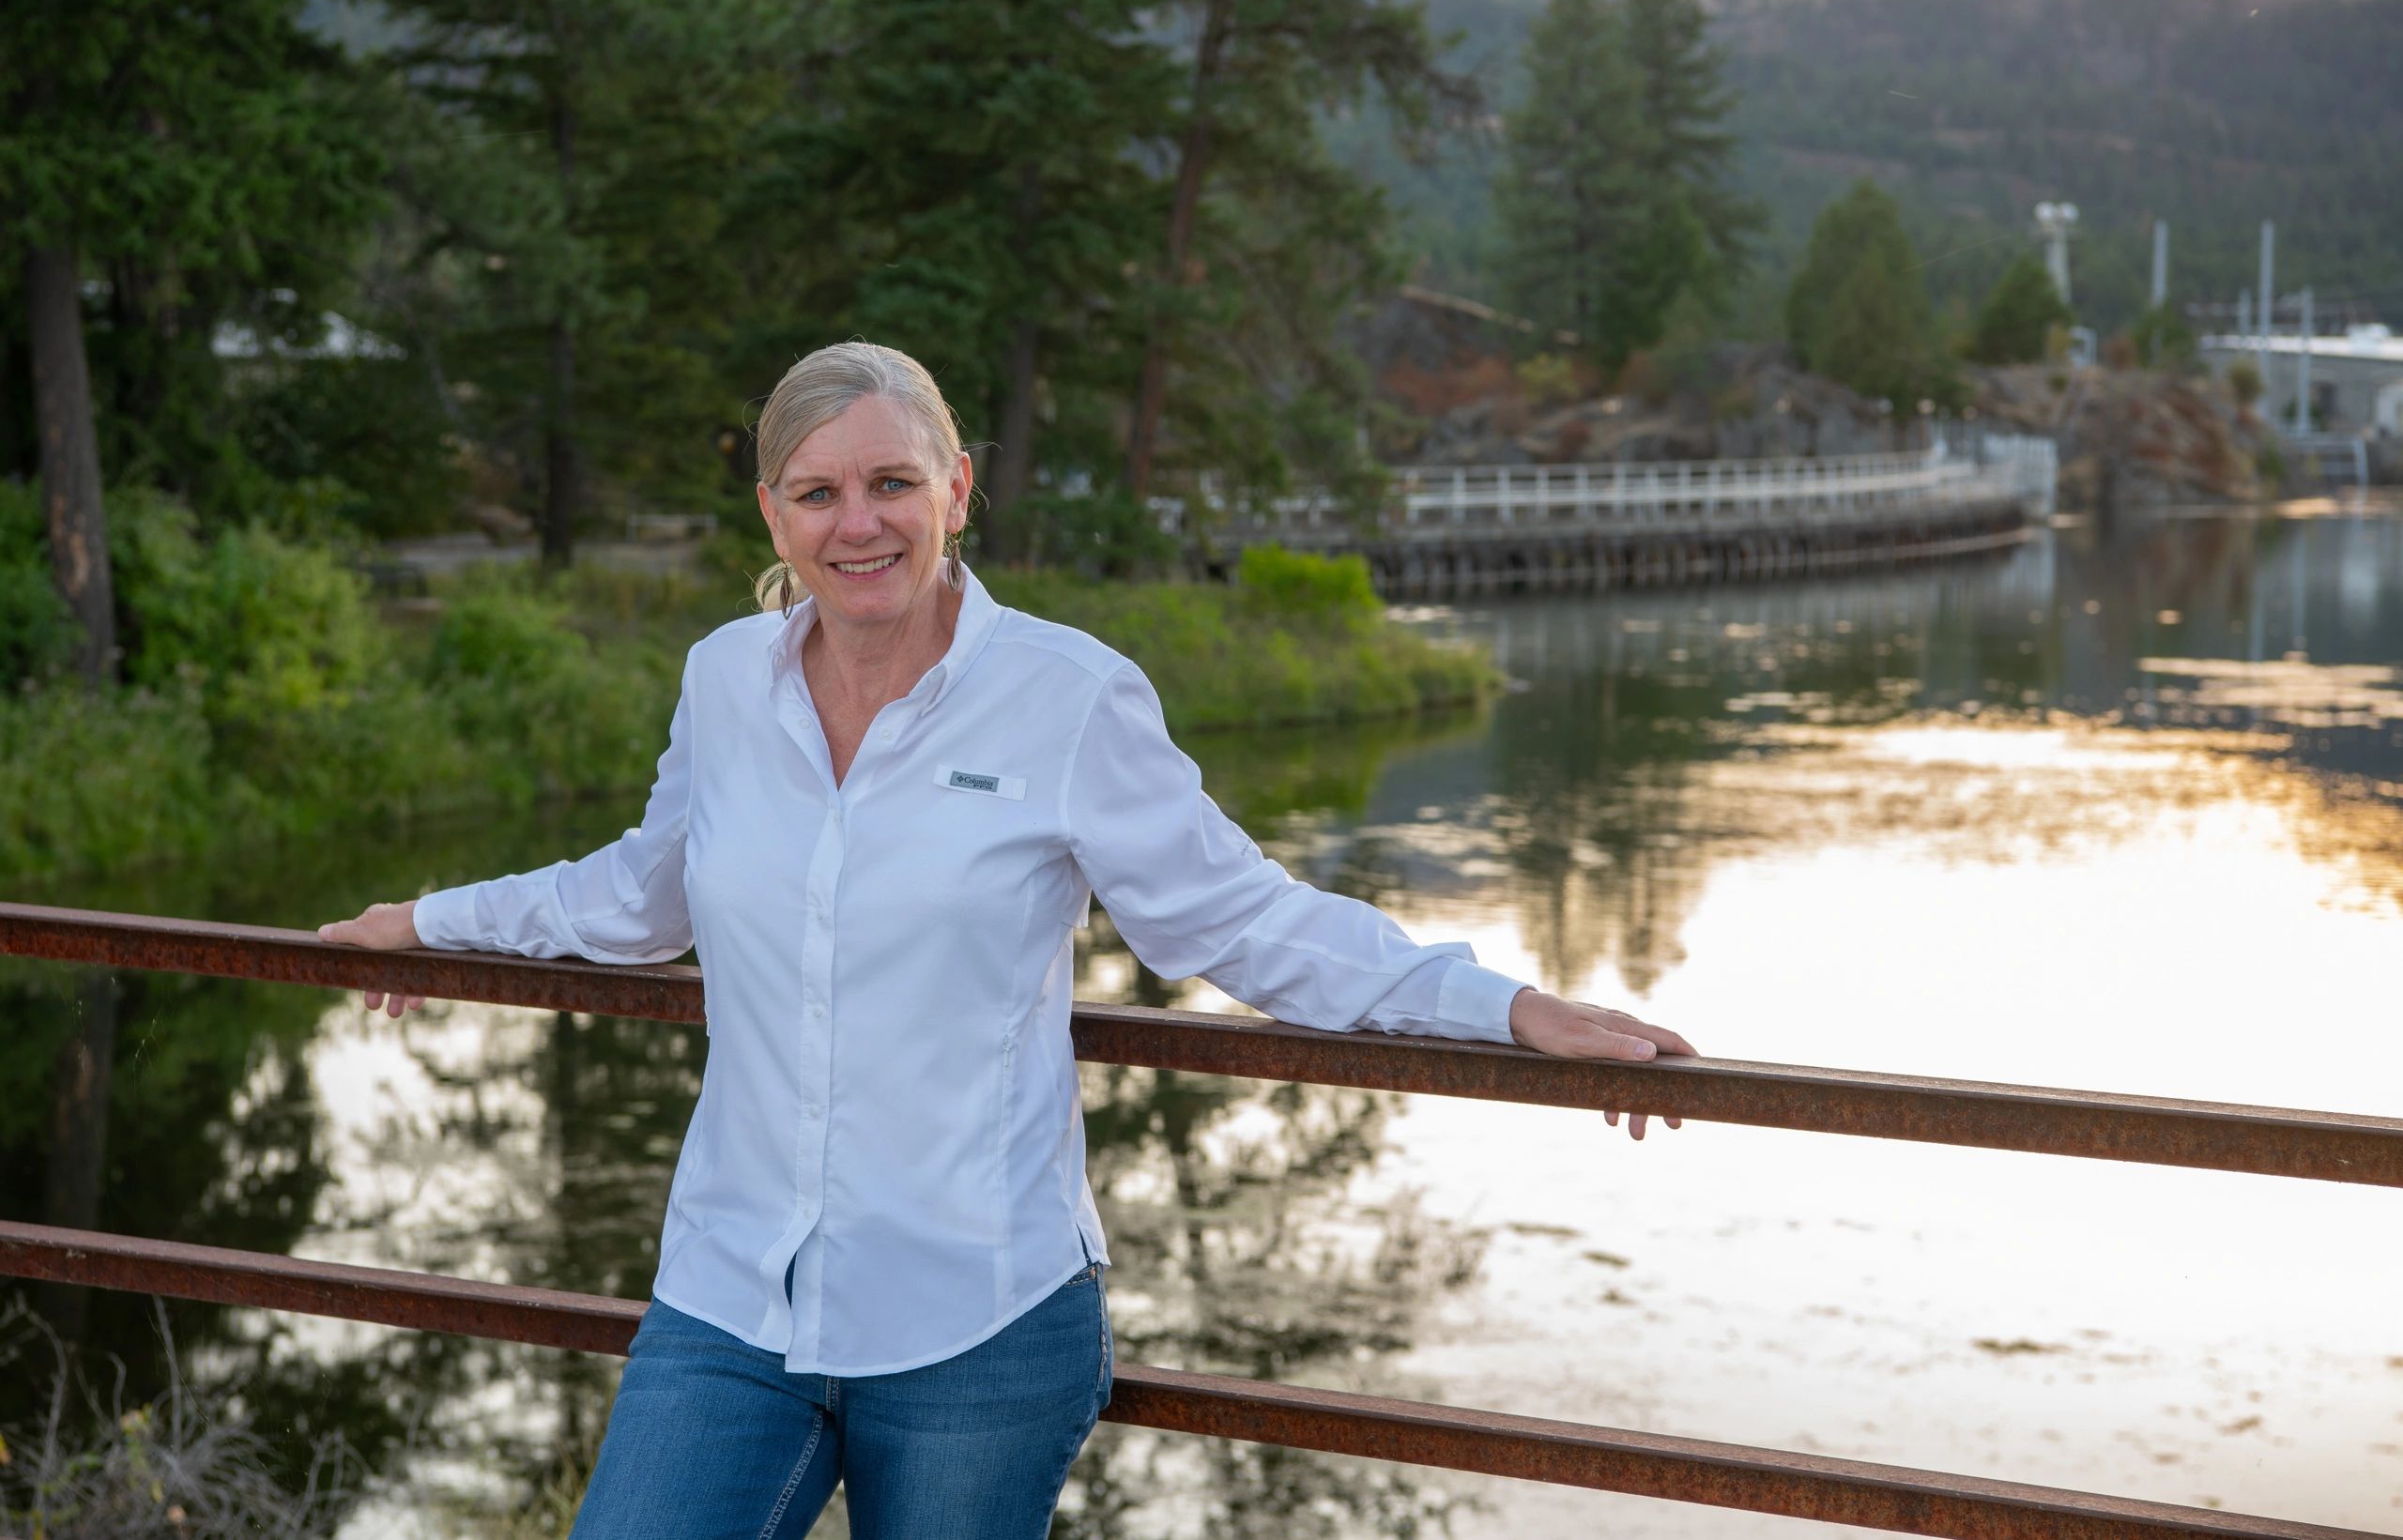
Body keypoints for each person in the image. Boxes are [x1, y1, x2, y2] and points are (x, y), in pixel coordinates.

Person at [318, 342, 1695, 1538]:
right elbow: (644, 890)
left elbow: (1247, 918)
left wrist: (1506, 1008)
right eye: (819, 492)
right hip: (732, 1298)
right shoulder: (722, 680)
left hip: (974, 1323)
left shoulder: (1069, 698)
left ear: (957, 489)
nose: (858, 524)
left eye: (892, 484)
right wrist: (429, 925)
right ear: (775, 514)